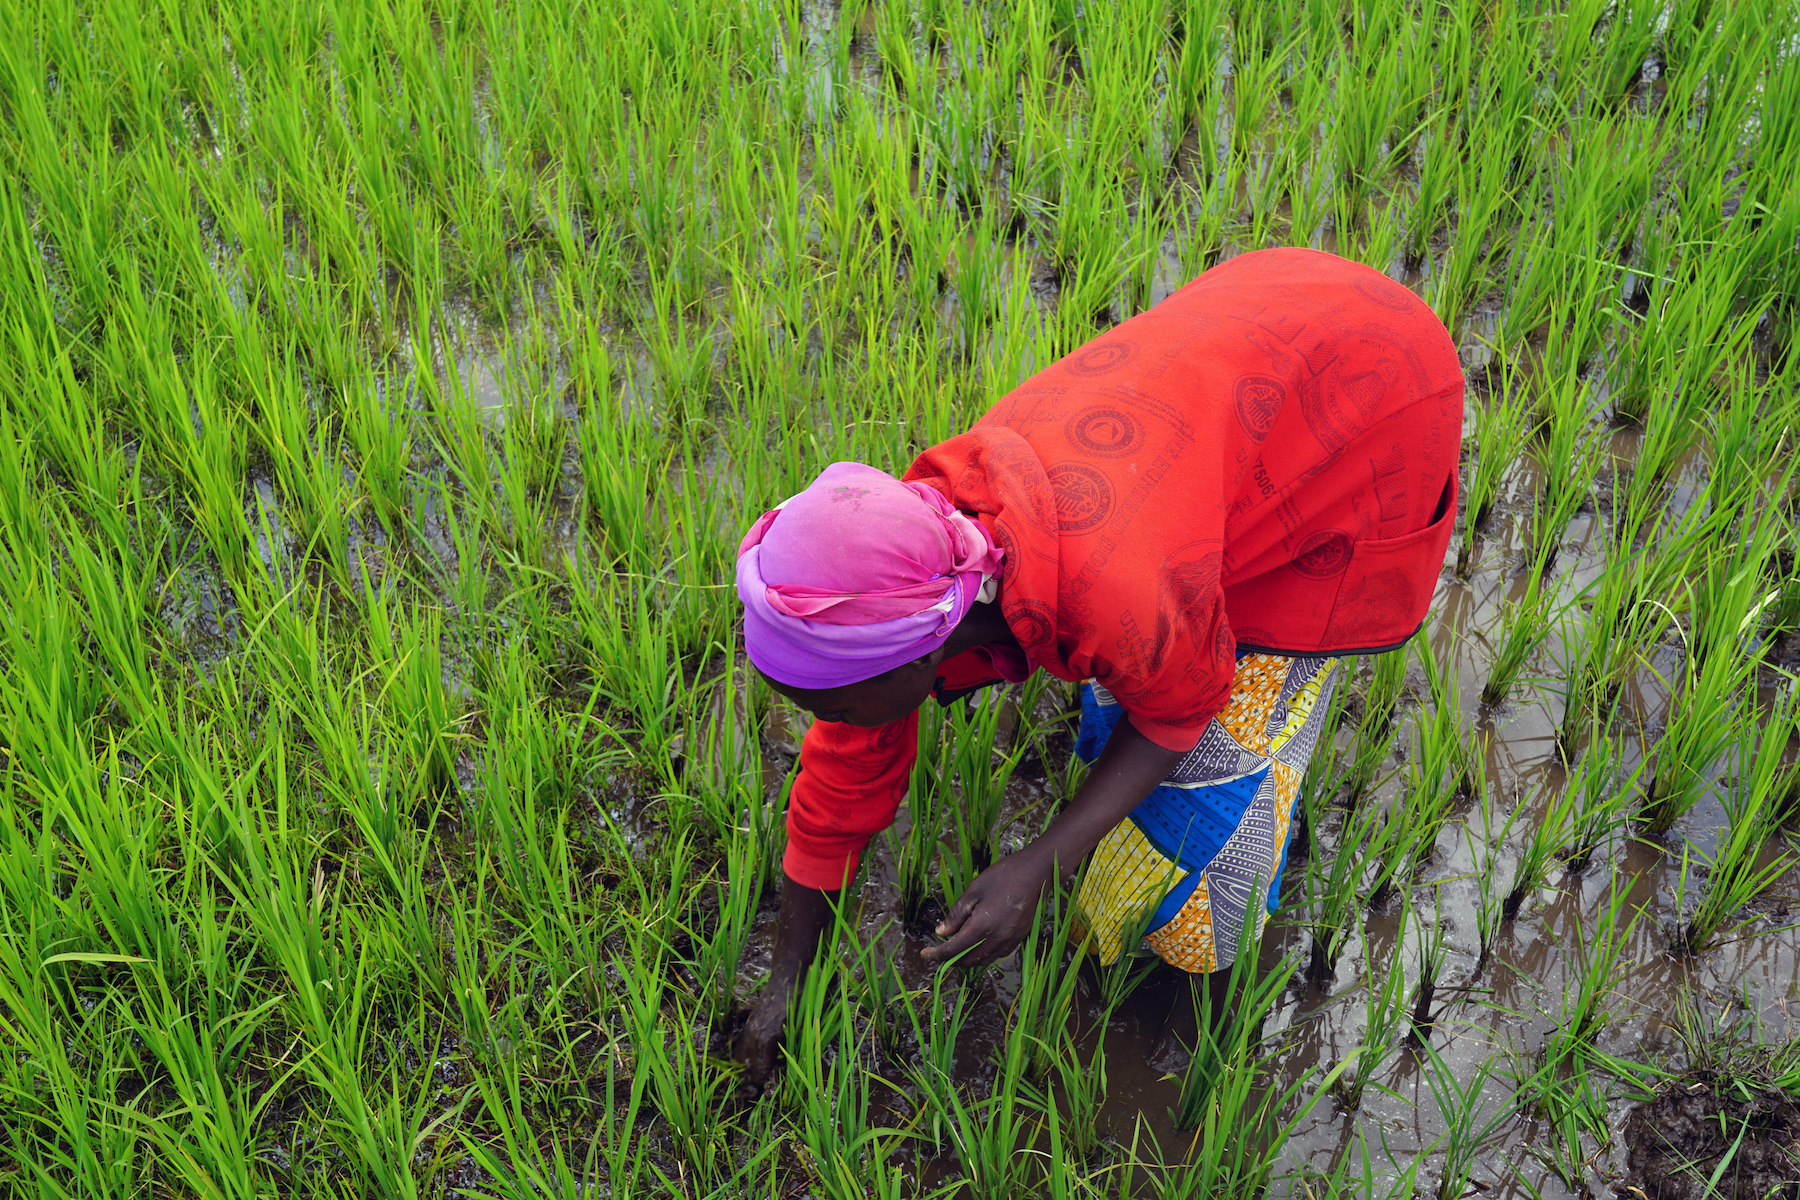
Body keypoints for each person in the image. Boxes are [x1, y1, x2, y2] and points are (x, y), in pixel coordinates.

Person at [731, 247, 1463, 1094]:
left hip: (1368, 393)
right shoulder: (907, 569)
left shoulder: (1105, 587)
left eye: (836, 705)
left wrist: (1040, 862)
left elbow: (1178, 711)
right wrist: (786, 983)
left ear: (925, 651)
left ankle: (1209, 1033)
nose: (833, 722)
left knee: (1216, 795)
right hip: (1248, 343)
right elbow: (838, 788)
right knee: (1144, 674)